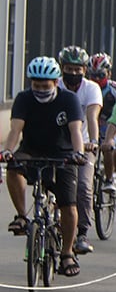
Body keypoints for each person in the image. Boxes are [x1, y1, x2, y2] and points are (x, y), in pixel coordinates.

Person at [3, 57, 85, 276]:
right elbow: (15, 130)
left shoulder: (69, 99)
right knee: (13, 167)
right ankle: (22, 216)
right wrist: (7, 151)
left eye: (45, 86)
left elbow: (76, 130)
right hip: (32, 150)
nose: (40, 90)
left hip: (63, 154)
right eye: (36, 85)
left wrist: (78, 153)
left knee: (69, 206)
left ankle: (67, 253)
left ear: (56, 82)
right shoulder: (24, 98)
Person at [57, 46, 102, 255]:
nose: (73, 73)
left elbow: (92, 117)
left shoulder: (91, 88)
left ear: (85, 70)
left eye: (78, 69)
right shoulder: (55, 85)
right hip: (57, 145)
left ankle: (82, 232)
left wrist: (93, 141)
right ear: (62, 68)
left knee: (83, 186)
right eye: (69, 69)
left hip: (83, 144)